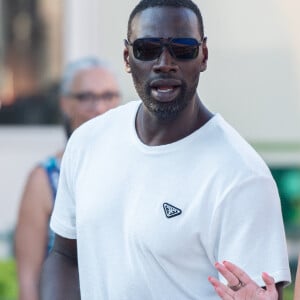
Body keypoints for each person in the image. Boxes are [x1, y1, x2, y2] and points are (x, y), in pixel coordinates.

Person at [40, 0, 291, 299]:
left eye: (183, 48)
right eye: (147, 48)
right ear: (127, 56)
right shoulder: (87, 142)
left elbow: (254, 293)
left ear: (204, 55)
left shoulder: (242, 177)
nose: (164, 62)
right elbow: (66, 255)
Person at [14, 56, 121, 300]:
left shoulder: (137, 169)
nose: (99, 107)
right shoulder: (44, 179)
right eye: (85, 97)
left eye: (108, 96)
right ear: (65, 103)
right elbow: (28, 282)